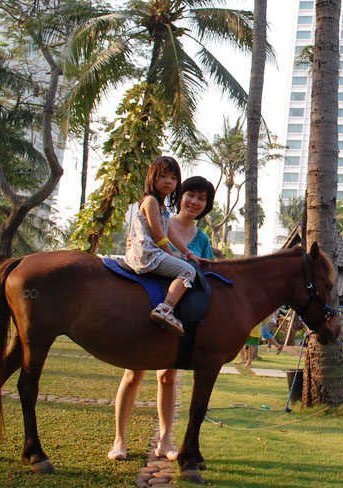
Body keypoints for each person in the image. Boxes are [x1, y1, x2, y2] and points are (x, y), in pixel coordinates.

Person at [108, 176, 215, 462]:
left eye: (202, 199)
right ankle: (119, 440)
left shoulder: (202, 239)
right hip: (146, 302)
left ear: (207, 205)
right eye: (191, 194)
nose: (194, 202)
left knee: (168, 377)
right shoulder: (161, 218)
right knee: (132, 373)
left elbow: (203, 277)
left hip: (177, 313)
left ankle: (166, 442)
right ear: (181, 196)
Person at [123, 156, 201, 337]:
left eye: (173, 178)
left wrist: (187, 253)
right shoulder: (150, 201)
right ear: (153, 177)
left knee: (187, 264)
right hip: (148, 254)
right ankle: (165, 309)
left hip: (153, 252)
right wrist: (170, 253)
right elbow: (158, 233)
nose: (168, 181)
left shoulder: (162, 206)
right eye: (163, 176)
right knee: (189, 272)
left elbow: (170, 233)